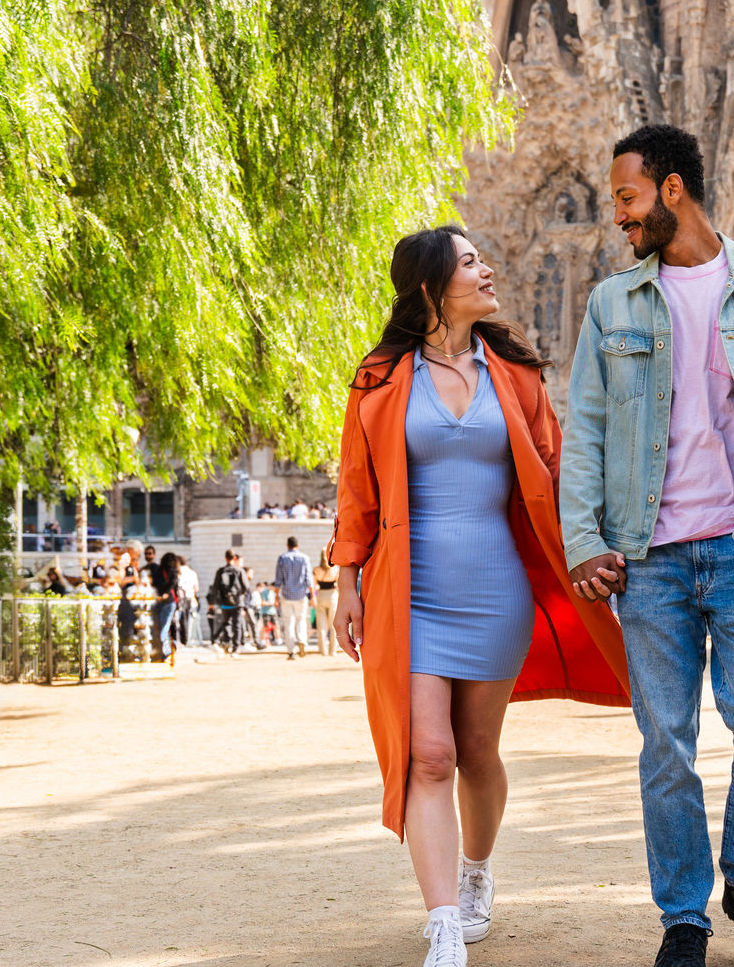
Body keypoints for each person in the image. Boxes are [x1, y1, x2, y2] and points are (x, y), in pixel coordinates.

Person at [559, 124, 734, 967]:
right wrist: (585, 542)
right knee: (667, 744)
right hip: (648, 561)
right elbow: (587, 432)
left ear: (673, 190)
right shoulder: (614, 304)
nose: (618, 216)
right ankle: (683, 915)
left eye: (627, 198)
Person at [330, 225, 631, 967]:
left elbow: (559, 475)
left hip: (498, 590)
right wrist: (346, 582)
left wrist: (592, 545)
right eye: (470, 262)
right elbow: (356, 490)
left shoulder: (517, 374)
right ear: (431, 287)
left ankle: (475, 874)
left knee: (475, 751)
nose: (487, 269)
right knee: (427, 755)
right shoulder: (377, 379)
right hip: (411, 594)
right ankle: (441, 925)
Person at [274, 536, 316, 660]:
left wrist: (276, 596)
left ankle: (291, 651)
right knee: (301, 619)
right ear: (297, 545)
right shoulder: (304, 558)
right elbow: (309, 579)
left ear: (287, 545)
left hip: (287, 595)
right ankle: (302, 640)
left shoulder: (282, 558)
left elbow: (278, 580)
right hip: (301, 595)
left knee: (288, 622)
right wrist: (312, 596)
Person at [209, 550, 252, 655]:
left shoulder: (220, 571)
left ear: (225, 558)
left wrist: (212, 601)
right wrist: (241, 596)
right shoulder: (239, 570)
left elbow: (215, 587)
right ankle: (236, 647)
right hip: (237, 603)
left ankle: (227, 642)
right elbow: (246, 586)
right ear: (234, 558)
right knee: (237, 624)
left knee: (226, 623)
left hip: (224, 602)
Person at [313, 540, 339, 655]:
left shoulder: (316, 570)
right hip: (332, 595)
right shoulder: (335, 569)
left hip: (321, 596)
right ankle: (333, 650)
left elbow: (315, 586)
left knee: (321, 625)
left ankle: (323, 650)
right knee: (333, 624)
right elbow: (338, 585)